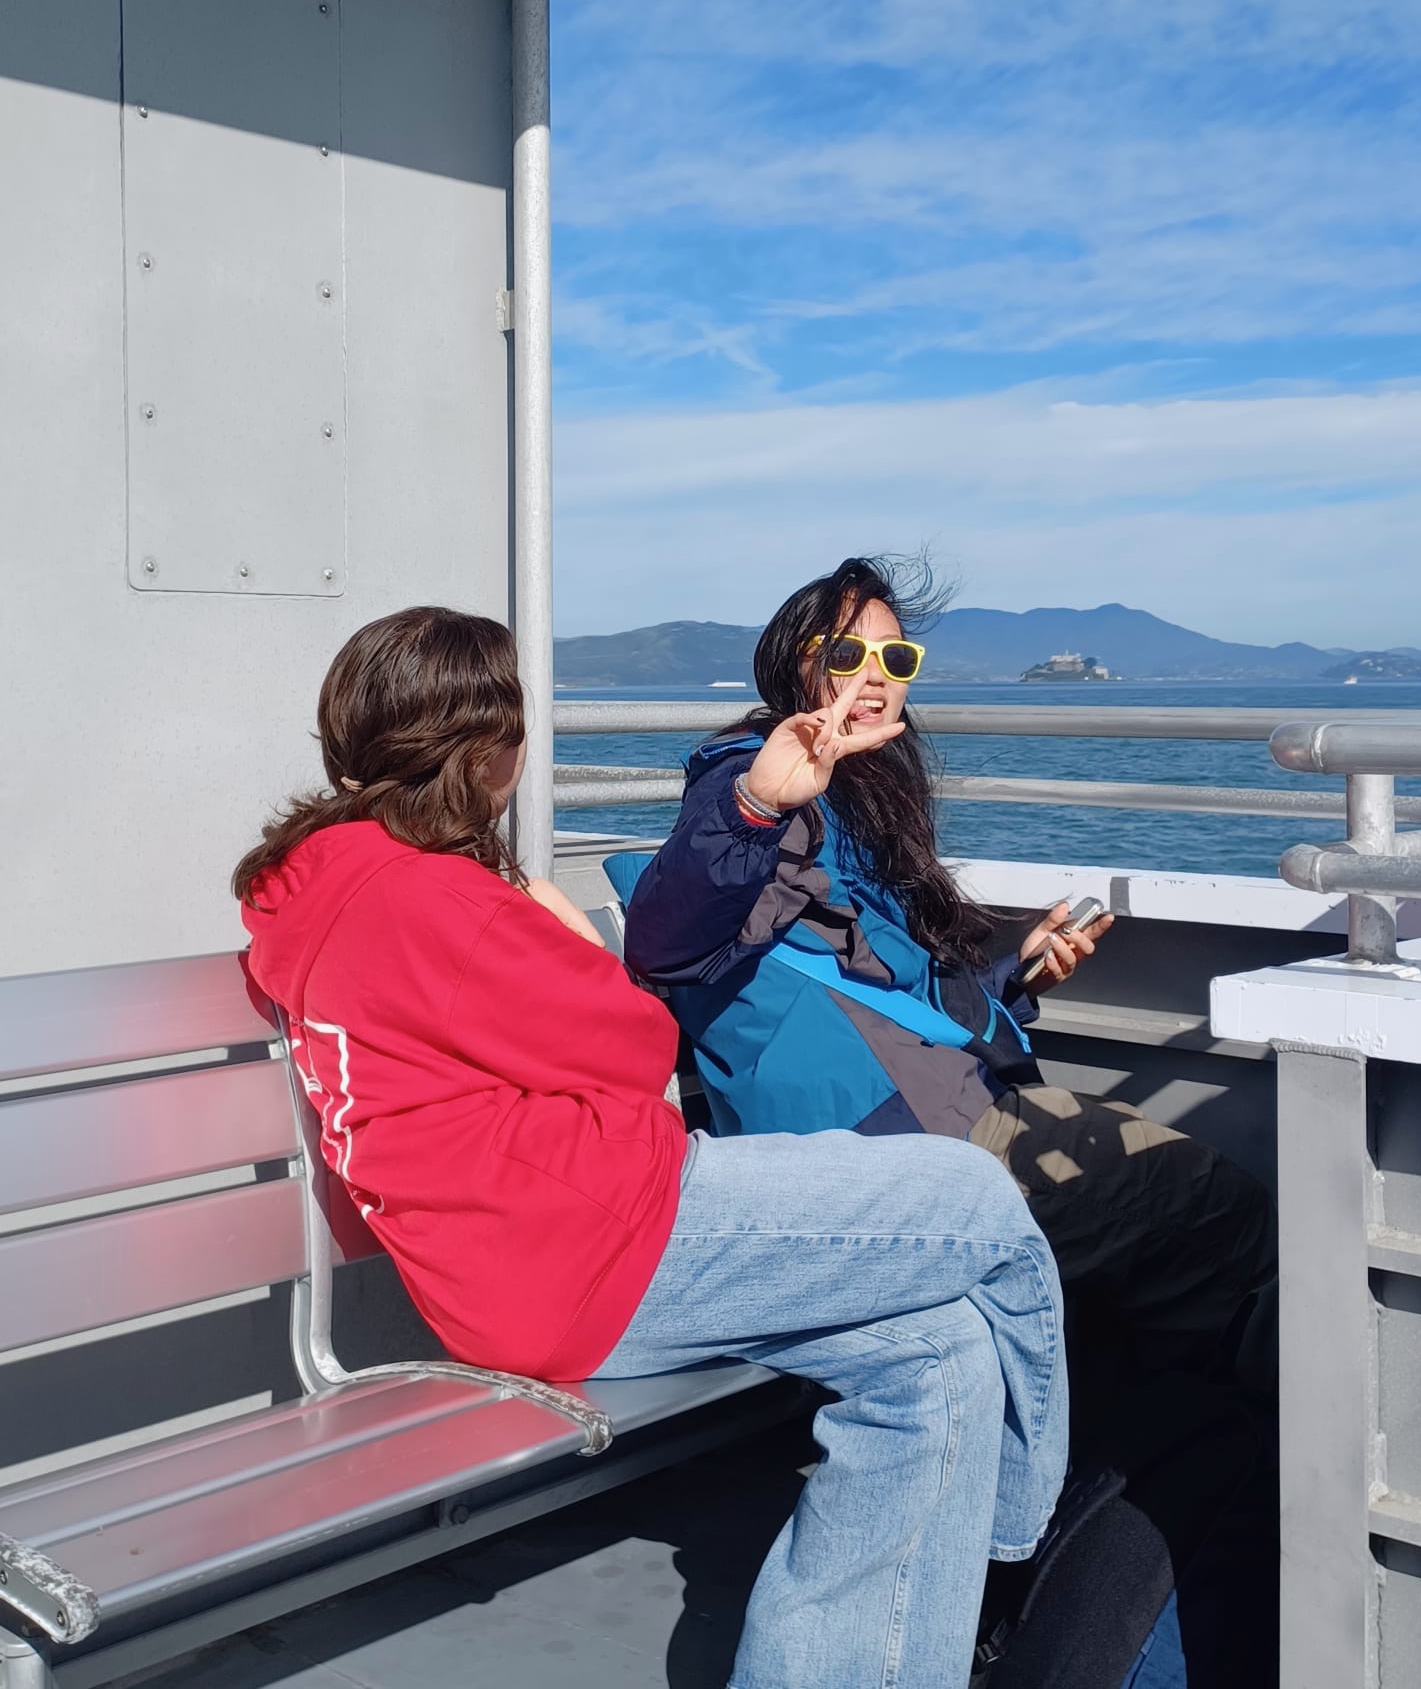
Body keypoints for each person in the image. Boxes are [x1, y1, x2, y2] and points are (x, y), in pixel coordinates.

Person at [234, 604, 1068, 1689]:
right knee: (983, 1202)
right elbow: (635, 1043)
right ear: (495, 749)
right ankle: (1022, 1550)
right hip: (592, 1251)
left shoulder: (314, 882)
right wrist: (550, 917)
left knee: (940, 1354)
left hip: (544, 1239)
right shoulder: (441, 901)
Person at [623, 557, 1279, 1689]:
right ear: (794, 667)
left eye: (895, 659)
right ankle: (1232, 1513)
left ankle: (1120, 1518)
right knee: (1224, 1211)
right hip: (889, 1144)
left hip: (930, 1106)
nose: (872, 679)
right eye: (846, 655)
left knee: (1148, 1251)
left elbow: (885, 992)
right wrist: (757, 797)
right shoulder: (754, 773)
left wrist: (1016, 971)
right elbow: (672, 937)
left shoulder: (861, 811)